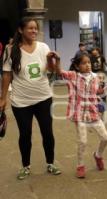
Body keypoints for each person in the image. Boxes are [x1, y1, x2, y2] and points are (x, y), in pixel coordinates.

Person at [0, 17, 61, 180]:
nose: (34, 31)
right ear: (21, 30)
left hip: (43, 97)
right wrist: (2, 98)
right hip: (21, 101)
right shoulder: (10, 49)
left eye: (36, 28)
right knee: (25, 134)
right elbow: (7, 74)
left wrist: (51, 61)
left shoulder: (43, 47)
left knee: (47, 132)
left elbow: (51, 71)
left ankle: (50, 163)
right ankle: (25, 166)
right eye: (30, 28)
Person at [52, 52, 107, 178]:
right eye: (84, 63)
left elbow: (98, 93)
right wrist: (58, 60)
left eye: (89, 62)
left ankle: (98, 155)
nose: (88, 65)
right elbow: (59, 72)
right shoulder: (73, 76)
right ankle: (80, 165)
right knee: (82, 141)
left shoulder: (96, 77)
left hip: (93, 113)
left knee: (105, 138)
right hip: (79, 114)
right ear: (77, 66)